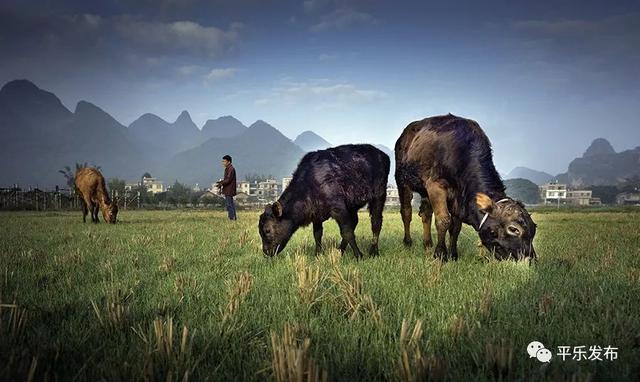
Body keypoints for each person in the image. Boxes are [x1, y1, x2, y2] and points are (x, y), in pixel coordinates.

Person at [216, 155, 237, 220]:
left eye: (224, 161)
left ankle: (231, 218)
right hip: (228, 189)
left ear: (229, 162)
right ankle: (233, 217)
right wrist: (221, 183)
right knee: (231, 204)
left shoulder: (231, 169)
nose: (223, 163)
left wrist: (221, 183)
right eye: (223, 161)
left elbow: (228, 179)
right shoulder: (228, 169)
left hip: (229, 189)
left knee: (229, 205)